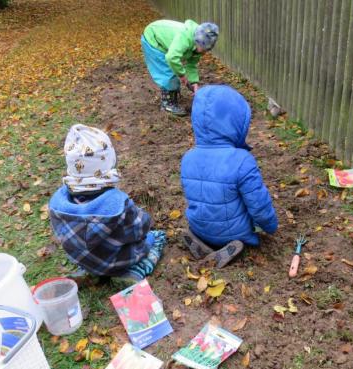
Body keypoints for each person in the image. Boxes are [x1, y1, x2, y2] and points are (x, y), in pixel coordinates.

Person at [48, 124, 166, 281]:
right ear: (109, 162)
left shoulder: (59, 204)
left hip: (85, 260)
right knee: (156, 237)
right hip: (116, 262)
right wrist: (144, 217)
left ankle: (89, 271)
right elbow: (140, 229)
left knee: (89, 248)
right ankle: (134, 272)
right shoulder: (117, 204)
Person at [180, 85, 278, 268]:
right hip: (235, 233)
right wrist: (270, 227)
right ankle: (232, 244)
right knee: (247, 217)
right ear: (235, 123)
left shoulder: (188, 158)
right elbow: (259, 205)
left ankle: (202, 240)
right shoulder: (242, 160)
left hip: (198, 226)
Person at [141, 19, 219, 116]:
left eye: (207, 49)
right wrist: (182, 75)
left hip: (163, 40)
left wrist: (194, 82)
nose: (204, 52)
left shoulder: (198, 48)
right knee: (167, 73)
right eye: (204, 48)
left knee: (174, 70)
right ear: (198, 41)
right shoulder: (185, 37)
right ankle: (167, 104)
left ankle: (172, 94)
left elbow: (191, 65)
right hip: (153, 39)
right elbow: (171, 57)